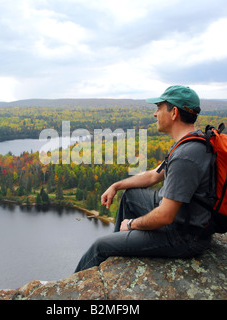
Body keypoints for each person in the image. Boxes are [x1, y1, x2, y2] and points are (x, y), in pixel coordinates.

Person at [74, 85, 214, 273]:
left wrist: (131, 225)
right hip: (185, 220)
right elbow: (152, 176)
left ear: (173, 112)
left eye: (159, 108)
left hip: (183, 237)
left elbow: (165, 216)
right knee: (130, 196)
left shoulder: (185, 156)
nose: (155, 114)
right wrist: (117, 185)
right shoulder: (191, 140)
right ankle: (120, 248)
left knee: (99, 246)